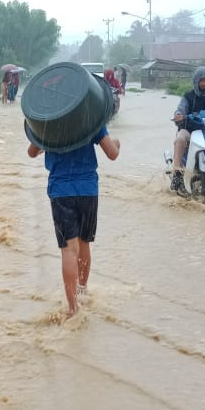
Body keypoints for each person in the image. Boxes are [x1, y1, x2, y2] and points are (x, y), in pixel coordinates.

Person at [27, 123, 120, 318]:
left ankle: (72, 309)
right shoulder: (91, 115)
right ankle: (82, 291)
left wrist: (47, 139)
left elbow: (31, 151)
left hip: (61, 191)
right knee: (84, 243)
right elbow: (112, 153)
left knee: (68, 249)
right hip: (87, 189)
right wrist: (117, 144)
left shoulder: (49, 120)